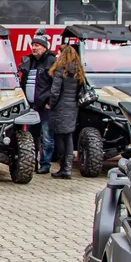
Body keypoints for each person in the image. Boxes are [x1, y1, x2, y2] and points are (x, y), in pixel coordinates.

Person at [47, 44, 86, 180]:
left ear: (63, 55)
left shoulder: (60, 70)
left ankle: (63, 167)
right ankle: (68, 168)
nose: (56, 55)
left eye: (58, 53)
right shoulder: (78, 70)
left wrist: (50, 104)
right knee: (68, 137)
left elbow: (55, 91)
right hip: (72, 108)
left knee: (59, 138)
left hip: (60, 108)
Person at [19, 33, 56, 174]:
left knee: (47, 137)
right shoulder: (28, 61)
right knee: (30, 137)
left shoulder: (51, 61)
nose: (34, 48)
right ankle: (31, 162)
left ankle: (45, 164)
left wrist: (50, 102)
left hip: (45, 107)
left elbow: (56, 84)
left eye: (37, 45)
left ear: (44, 47)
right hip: (30, 106)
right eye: (33, 45)